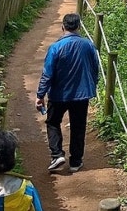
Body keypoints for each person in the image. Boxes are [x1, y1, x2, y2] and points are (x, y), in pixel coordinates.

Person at [36, 12, 100, 173]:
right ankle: (76, 161)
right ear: (78, 27)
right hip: (82, 94)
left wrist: (40, 95)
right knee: (78, 126)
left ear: (63, 27)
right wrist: (92, 86)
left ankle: (57, 154)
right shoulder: (89, 45)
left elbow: (47, 74)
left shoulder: (56, 47)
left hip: (59, 94)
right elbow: (95, 69)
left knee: (52, 122)